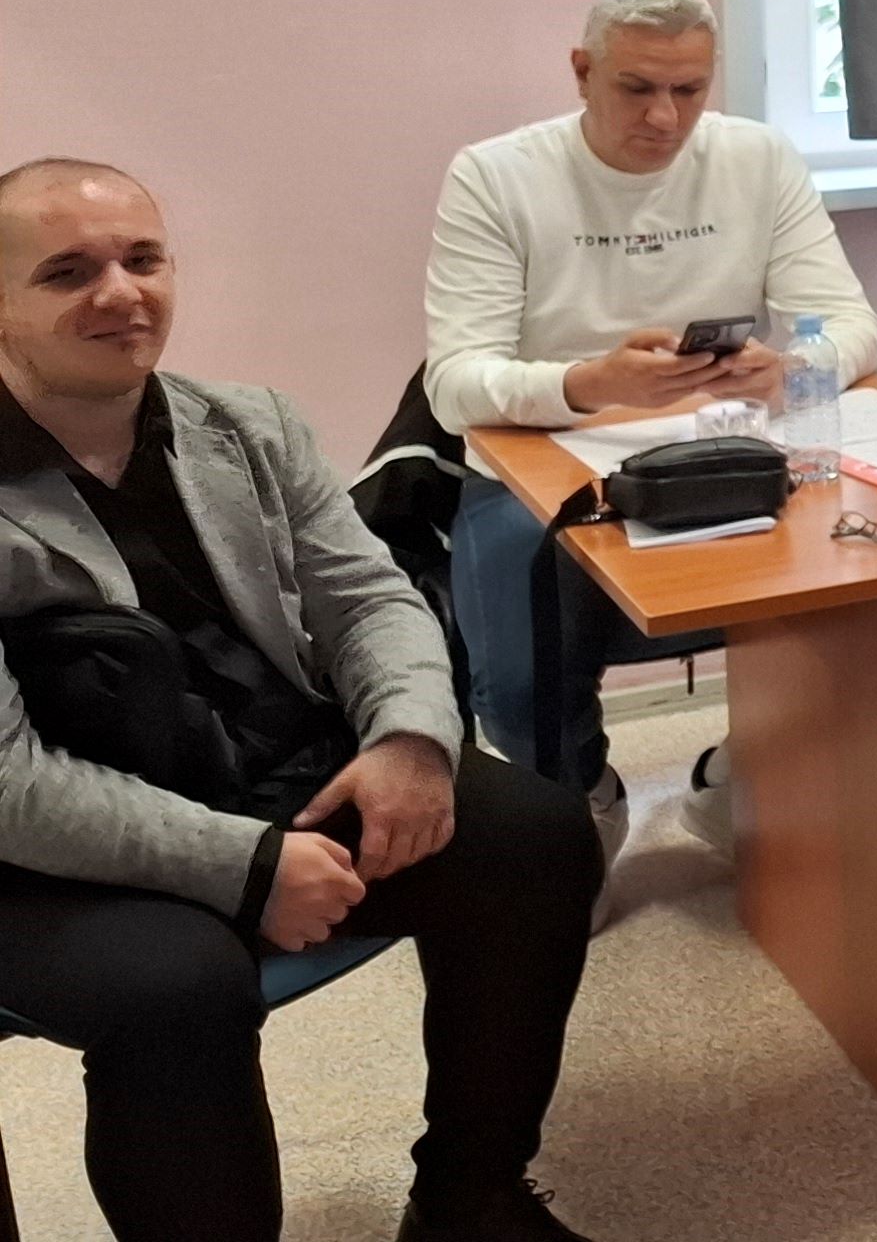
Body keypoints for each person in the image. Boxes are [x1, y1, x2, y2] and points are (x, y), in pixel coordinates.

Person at [0, 160, 602, 1242]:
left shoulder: (248, 425)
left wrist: (410, 741)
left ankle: (470, 1198)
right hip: (44, 852)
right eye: (68, 271)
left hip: (252, 768)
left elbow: (370, 599)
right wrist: (247, 866)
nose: (121, 293)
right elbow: (12, 786)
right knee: (177, 988)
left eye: (143, 259)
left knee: (534, 834)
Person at [421, 0, 877, 859]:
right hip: (543, 463)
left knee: (873, 600)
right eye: (637, 88)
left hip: (727, 448)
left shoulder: (756, 158)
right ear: (582, 71)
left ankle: (744, 778)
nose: (665, 117)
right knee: (514, 685)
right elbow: (457, 384)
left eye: (689, 90)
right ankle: (582, 799)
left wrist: (790, 370)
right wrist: (593, 383)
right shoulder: (496, 175)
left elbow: (854, 329)